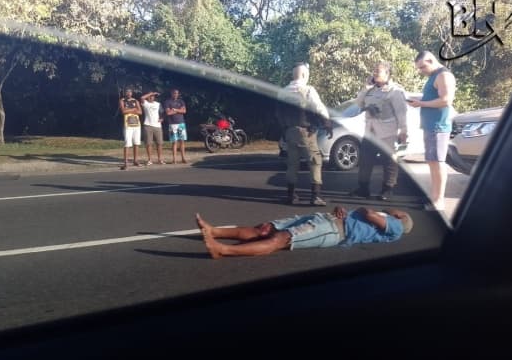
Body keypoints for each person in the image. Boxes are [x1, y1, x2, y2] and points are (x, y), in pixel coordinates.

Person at [195, 205, 413, 259]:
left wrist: (366, 210)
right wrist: (340, 210)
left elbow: (369, 214)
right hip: (326, 218)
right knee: (265, 229)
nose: (395, 209)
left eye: (399, 211)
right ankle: (214, 231)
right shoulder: (388, 221)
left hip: (332, 231)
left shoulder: (396, 227)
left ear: (401, 217)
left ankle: (222, 250)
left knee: (279, 239)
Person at [350, 62, 409, 201]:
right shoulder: (370, 90)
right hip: (370, 131)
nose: (375, 73)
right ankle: (363, 188)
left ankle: (387, 190)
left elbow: (401, 113)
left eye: (378, 71)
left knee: (389, 161)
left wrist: (404, 131)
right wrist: (365, 87)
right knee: (365, 160)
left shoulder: (395, 91)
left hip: (387, 132)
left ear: (387, 74)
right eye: (374, 71)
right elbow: (359, 103)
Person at [276, 63, 332, 206]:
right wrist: (327, 123)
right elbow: (318, 108)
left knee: (292, 164)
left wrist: (284, 130)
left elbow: (278, 114)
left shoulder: (283, 92)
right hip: (305, 132)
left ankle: (291, 195)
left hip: (290, 132)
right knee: (315, 162)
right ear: (304, 75)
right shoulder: (308, 90)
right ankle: (315, 196)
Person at [408, 51, 456, 211]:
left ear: (431, 60)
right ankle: (434, 197)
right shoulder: (433, 76)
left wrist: (422, 104)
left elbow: (446, 100)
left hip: (438, 127)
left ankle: (439, 201)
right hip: (430, 127)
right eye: (419, 68)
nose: (421, 71)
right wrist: (419, 101)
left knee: (438, 163)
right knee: (432, 163)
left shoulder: (444, 76)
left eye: (422, 67)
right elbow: (433, 99)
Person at [119, 88, 142, 170]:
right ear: (125, 93)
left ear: (132, 93)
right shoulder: (122, 100)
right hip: (128, 125)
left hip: (136, 124)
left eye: (130, 92)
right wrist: (133, 110)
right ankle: (125, 162)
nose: (129, 93)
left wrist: (129, 110)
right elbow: (123, 111)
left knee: (136, 143)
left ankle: (135, 160)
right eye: (127, 92)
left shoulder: (136, 101)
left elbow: (140, 112)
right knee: (127, 143)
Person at [140, 90, 166, 165]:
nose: (151, 97)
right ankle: (149, 160)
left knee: (159, 143)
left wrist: (162, 118)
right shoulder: (145, 103)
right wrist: (151, 93)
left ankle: (160, 159)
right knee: (148, 143)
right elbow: (142, 98)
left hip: (157, 126)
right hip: (148, 125)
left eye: (153, 96)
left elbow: (162, 113)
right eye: (150, 97)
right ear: (148, 97)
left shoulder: (158, 104)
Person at [164, 89, 188, 164]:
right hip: (172, 124)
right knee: (174, 142)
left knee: (182, 141)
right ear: (171, 93)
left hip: (181, 123)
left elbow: (184, 111)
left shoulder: (181, 101)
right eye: (174, 93)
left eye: (177, 93)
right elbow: (168, 113)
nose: (175, 94)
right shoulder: (168, 102)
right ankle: (174, 159)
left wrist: (174, 110)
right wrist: (179, 110)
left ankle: (183, 158)